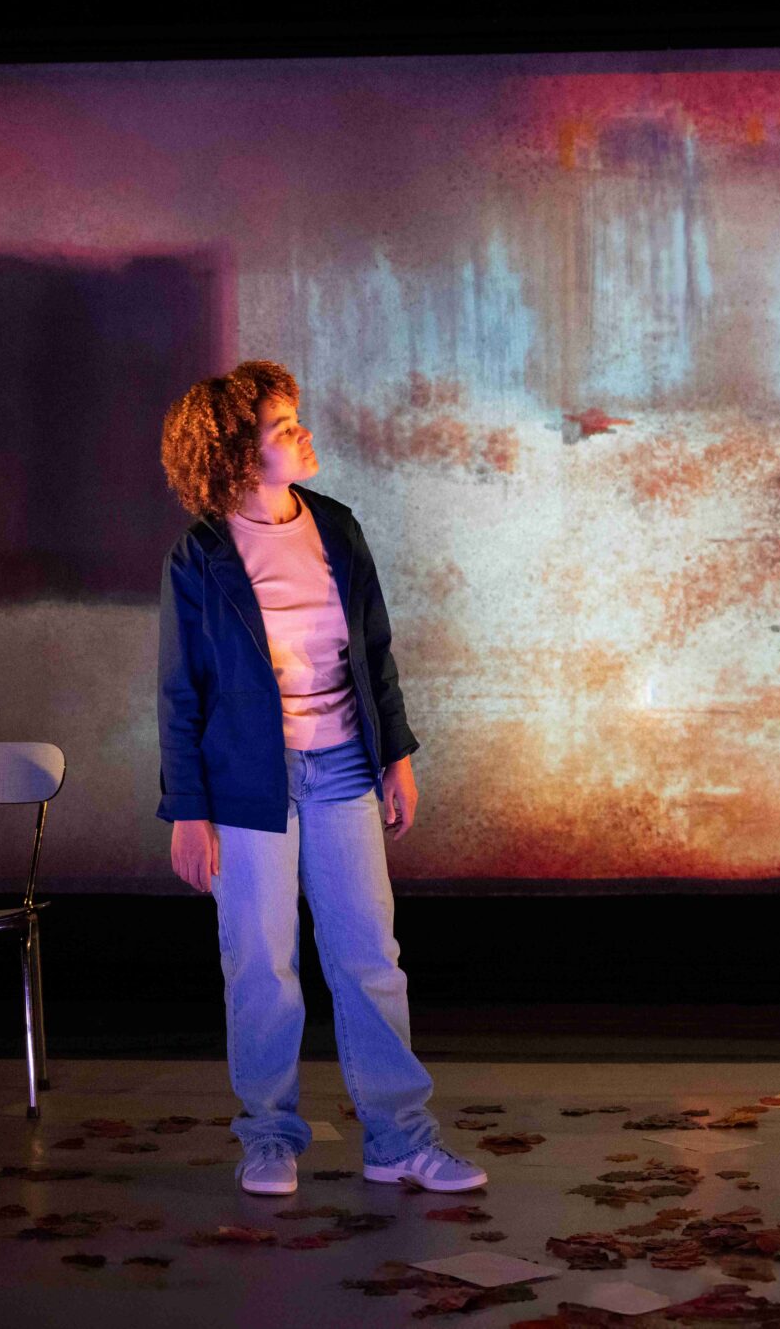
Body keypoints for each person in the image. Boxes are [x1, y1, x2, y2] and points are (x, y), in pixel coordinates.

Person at [156, 359, 485, 1197]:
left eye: (293, 417)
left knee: (370, 956)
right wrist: (187, 812)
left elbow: (374, 651)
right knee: (261, 966)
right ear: (239, 453)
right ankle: (268, 1137)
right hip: (246, 785)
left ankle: (399, 1139)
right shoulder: (199, 556)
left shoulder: (336, 526)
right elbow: (180, 692)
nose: (300, 432)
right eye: (281, 426)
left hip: (342, 766)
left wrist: (396, 756)